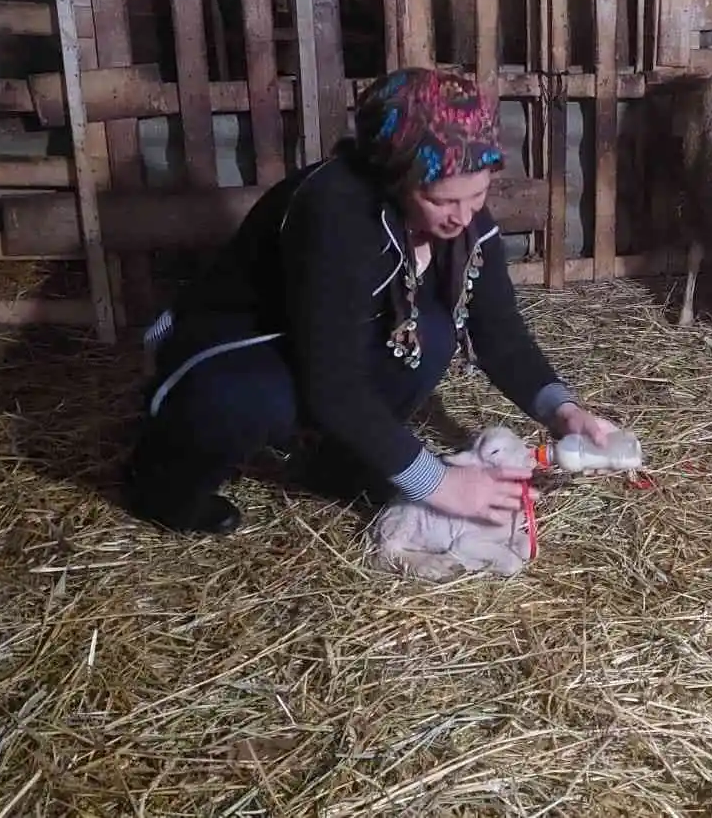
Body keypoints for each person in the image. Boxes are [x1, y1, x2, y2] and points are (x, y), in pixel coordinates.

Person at [122, 67, 618, 535]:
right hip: (236, 340)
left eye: (477, 195)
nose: (462, 217)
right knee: (245, 398)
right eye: (442, 201)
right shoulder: (336, 216)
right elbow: (332, 384)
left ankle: (335, 463)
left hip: (323, 344)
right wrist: (438, 483)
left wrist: (564, 411)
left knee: (432, 333)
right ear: (396, 175)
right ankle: (164, 488)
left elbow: (498, 333)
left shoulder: (466, 225)